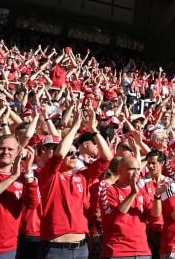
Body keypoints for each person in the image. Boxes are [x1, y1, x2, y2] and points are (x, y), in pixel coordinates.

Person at [37, 111, 113, 259]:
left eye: (75, 153)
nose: (73, 156)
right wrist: (75, 127)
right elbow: (59, 155)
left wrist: (94, 129)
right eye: (69, 153)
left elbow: (107, 157)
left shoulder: (83, 176)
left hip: (82, 248)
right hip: (55, 249)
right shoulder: (48, 176)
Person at [99, 156, 157, 259]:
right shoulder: (108, 191)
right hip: (118, 251)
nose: (136, 173)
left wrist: (157, 197)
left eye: (138, 169)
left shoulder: (142, 192)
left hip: (142, 251)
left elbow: (154, 217)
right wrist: (133, 193)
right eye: (131, 169)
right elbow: (114, 219)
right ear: (120, 170)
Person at [0, 135, 39, 259]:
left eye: (10, 149)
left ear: (18, 153)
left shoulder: (23, 178)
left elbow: (33, 204)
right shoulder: (15, 176)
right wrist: (13, 177)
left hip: (8, 248)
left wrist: (29, 172)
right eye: (1, 148)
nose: (6, 152)